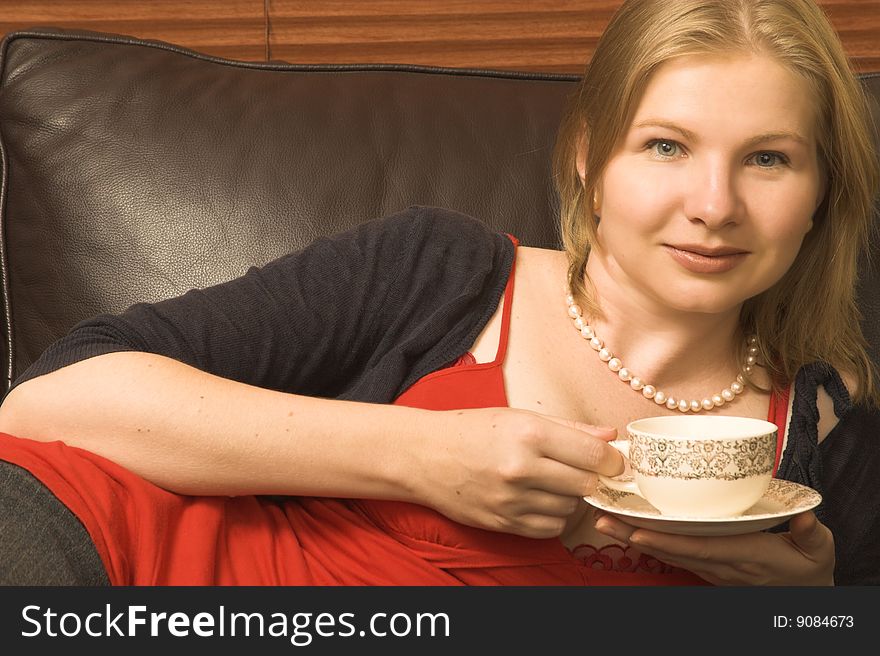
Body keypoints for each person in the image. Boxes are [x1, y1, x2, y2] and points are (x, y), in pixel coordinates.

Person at [0, 0, 878, 586]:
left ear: (821, 191)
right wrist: (420, 456)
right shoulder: (440, 273)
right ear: (588, 158)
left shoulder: (830, 434)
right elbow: (47, 403)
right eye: (665, 146)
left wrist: (806, 610)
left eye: (768, 158)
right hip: (124, 564)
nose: (714, 206)